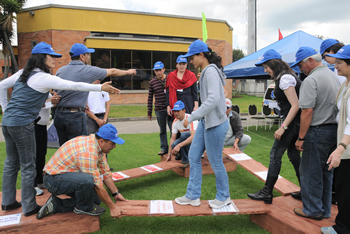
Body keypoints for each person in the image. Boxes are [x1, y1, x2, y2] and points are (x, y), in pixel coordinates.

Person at [0, 42, 119, 217]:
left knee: (11, 163)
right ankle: (29, 206)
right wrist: (99, 87)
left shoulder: (23, 73)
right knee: (28, 166)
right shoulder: (43, 77)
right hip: (22, 123)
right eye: (52, 56)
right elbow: (73, 85)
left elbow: (2, 86)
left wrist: (6, 108)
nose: (55, 59)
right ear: (42, 58)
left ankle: (8, 202)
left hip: (8, 122)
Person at [174, 40, 230, 209]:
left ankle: (224, 196)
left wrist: (191, 117)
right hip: (206, 123)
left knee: (215, 162)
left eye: (192, 58)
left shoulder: (210, 71)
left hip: (216, 124)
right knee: (193, 156)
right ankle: (192, 196)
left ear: (201, 55)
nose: (190, 61)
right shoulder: (207, 71)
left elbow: (213, 99)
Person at [36, 124, 128, 220]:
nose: (114, 146)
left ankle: (55, 204)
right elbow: (97, 185)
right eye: (112, 143)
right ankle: (83, 208)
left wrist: (116, 194)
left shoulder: (97, 145)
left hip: (66, 176)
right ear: (102, 141)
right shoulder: (88, 152)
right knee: (87, 180)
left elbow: (105, 173)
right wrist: (112, 207)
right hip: (52, 180)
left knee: (95, 200)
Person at [247, 49, 302, 204]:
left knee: (275, 154)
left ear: (274, 64)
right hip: (295, 123)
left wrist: (283, 126)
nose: (265, 70)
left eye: (266, 67)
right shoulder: (285, 76)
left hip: (291, 124)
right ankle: (306, 190)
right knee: (293, 156)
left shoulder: (285, 79)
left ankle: (267, 191)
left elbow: (295, 105)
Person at [292, 47, 340, 220]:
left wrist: (301, 137)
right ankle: (324, 209)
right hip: (333, 131)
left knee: (311, 173)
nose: (300, 68)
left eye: (301, 64)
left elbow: (307, 112)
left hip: (317, 131)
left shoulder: (311, 80)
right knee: (326, 173)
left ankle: (312, 210)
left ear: (310, 61)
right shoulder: (335, 77)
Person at [54, 43, 136, 146]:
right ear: (82, 56)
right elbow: (112, 72)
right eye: (88, 54)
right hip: (75, 116)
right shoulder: (86, 69)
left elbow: (56, 93)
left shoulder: (60, 71)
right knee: (79, 149)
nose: (89, 57)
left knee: (64, 150)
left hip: (58, 116)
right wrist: (128, 72)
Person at [321, 45, 350, 234]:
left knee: (345, 190)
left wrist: (340, 149)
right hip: (344, 144)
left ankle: (342, 229)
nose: (335, 66)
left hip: (347, 147)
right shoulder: (345, 83)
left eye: (339, 62)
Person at [147, 61, 172, 155]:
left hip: (170, 109)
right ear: (154, 71)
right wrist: (149, 112)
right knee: (162, 130)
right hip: (159, 109)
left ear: (164, 69)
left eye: (160, 70)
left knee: (173, 130)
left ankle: (173, 148)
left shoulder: (170, 78)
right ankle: (163, 148)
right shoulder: (152, 82)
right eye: (156, 70)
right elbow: (150, 97)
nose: (158, 72)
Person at [166, 100, 198, 167]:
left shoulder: (191, 118)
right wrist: (169, 154)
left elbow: (193, 137)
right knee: (174, 144)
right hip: (186, 142)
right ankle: (182, 154)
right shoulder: (175, 122)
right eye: (175, 111)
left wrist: (179, 145)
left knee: (183, 135)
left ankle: (186, 160)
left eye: (178, 111)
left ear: (184, 110)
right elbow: (172, 138)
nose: (176, 113)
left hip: (197, 142)